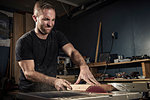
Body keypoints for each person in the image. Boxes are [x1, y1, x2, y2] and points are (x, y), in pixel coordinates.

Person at [15, 0, 100, 92]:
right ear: (35, 18)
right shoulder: (24, 41)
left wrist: (83, 65)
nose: (50, 24)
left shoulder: (57, 36)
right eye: (46, 19)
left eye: (53, 20)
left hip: (50, 90)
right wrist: (54, 81)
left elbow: (72, 52)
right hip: (29, 92)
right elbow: (29, 73)